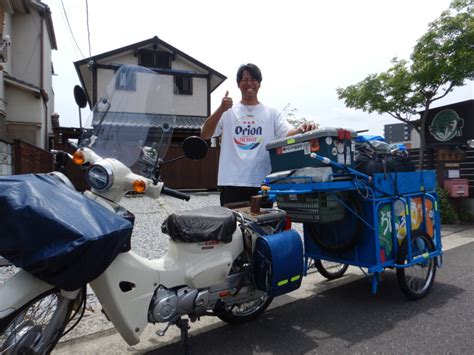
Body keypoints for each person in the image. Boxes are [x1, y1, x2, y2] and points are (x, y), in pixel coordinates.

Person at [201, 63, 317, 206]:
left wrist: (301, 129)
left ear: (259, 84)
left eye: (253, 79)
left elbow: (287, 133)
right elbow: (205, 134)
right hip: (232, 181)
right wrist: (220, 109)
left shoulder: (272, 113)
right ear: (238, 84)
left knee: (264, 226)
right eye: (245, 79)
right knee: (234, 226)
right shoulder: (227, 112)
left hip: (262, 182)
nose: (249, 83)